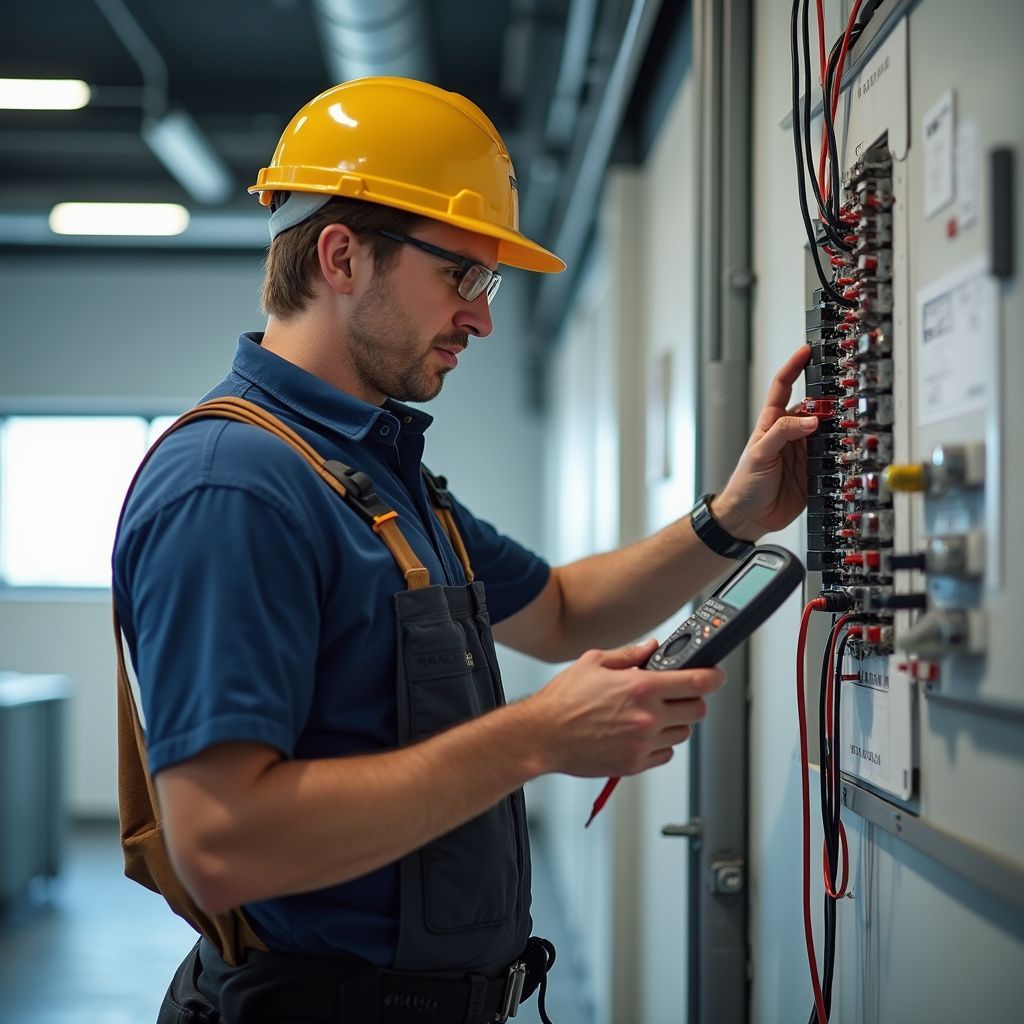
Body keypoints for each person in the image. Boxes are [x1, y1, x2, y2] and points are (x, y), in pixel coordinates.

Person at [112, 77, 815, 1024]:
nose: (482, 317)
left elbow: (564, 611)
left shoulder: (372, 473)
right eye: (463, 277)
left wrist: (733, 517)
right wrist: (536, 739)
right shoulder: (236, 486)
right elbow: (223, 842)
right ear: (341, 256)